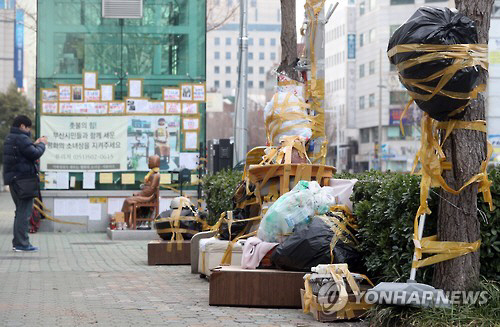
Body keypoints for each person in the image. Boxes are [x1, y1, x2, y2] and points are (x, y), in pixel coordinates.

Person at [3, 115, 47, 252]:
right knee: (24, 213)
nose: (28, 130)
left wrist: (34, 144)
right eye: (28, 127)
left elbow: (24, 153)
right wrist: (42, 144)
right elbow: (34, 154)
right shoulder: (21, 138)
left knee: (19, 212)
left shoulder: (10, 138)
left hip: (13, 180)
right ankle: (22, 244)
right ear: (22, 126)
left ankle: (18, 243)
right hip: (23, 180)